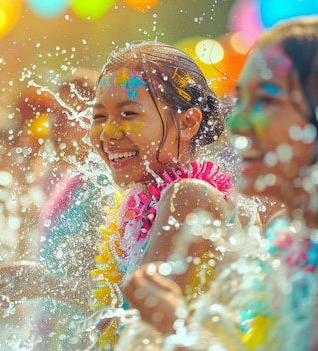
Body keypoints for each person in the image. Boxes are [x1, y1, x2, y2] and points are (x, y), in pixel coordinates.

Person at [122, 17, 318, 351]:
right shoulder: (294, 234)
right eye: (242, 100)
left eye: (267, 101)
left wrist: (177, 327)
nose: (239, 123)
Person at [87, 40, 239, 350]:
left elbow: (137, 328)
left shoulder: (188, 196)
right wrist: (48, 286)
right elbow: (115, 303)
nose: (108, 134)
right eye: (99, 117)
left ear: (188, 122)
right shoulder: (139, 204)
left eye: (128, 113)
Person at [0, 69, 111, 350]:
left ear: (95, 120)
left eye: (66, 115)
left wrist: (45, 285)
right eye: (53, 115)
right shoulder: (69, 181)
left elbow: (114, 293)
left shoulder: (106, 190)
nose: (53, 126)